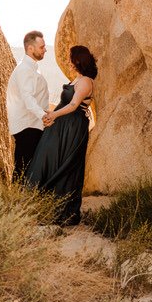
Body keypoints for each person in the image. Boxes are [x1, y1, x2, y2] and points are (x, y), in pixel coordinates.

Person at [25, 44, 97, 225]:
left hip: (73, 127)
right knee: (46, 159)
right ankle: (40, 204)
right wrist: (52, 119)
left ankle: (64, 212)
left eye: (71, 59)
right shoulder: (77, 79)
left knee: (66, 164)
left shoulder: (86, 81)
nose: (69, 62)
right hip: (61, 125)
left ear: (78, 61)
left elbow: (73, 105)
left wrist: (53, 115)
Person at [6, 29, 50, 179]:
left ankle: (23, 199)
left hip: (33, 124)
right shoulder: (24, 70)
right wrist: (44, 116)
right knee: (23, 168)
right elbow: (28, 98)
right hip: (27, 126)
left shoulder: (31, 68)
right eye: (41, 47)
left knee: (27, 168)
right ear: (30, 48)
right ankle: (16, 200)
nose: (45, 49)